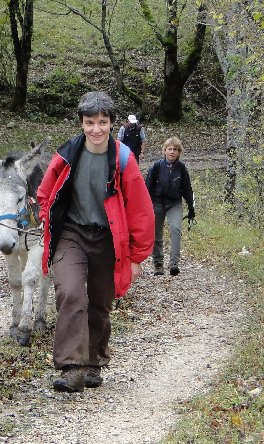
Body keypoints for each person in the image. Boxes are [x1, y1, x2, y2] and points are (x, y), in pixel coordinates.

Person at [37, 91, 154, 392]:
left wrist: (137, 257)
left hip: (108, 238)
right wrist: (44, 216)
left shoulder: (124, 160)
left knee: (100, 303)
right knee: (71, 293)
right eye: (90, 122)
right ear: (82, 123)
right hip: (72, 234)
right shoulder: (66, 155)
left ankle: (93, 361)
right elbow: (45, 192)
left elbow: (141, 209)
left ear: (112, 123)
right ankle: (71, 367)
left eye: (103, 122)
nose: (96, 129)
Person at [145, 136, 195, 276]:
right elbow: (147, 187)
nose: (172, 152)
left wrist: (191, 207)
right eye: (169, 149)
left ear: (179, 152)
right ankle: (158, 263)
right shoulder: (157, 166)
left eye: (175, 149)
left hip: (174, 203)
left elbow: (187, 189)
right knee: (156, 234)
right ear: (164, 151)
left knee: (176, 229)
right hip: (157, 203)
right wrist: (145, 207)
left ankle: (174, 263)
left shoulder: (182, 168)